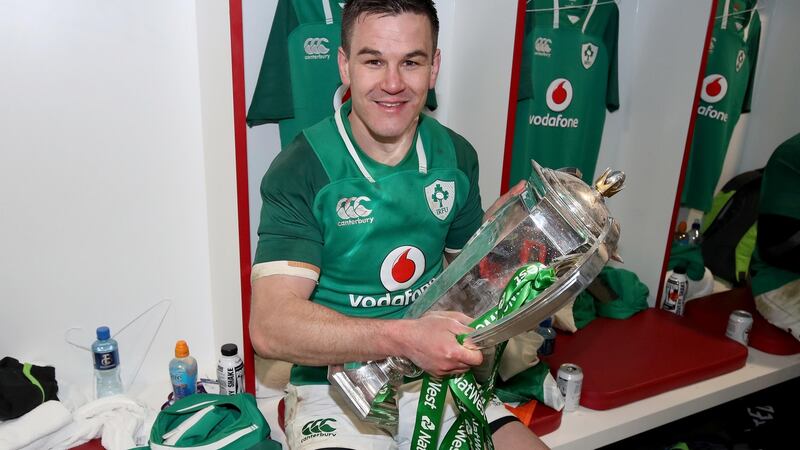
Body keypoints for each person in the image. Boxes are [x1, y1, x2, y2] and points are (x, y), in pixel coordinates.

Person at [249, 1, 549, 448]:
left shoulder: (456, 157)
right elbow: (270, 326)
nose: (392, 83)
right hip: (333, 388)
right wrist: (405, 338)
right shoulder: (302, 167)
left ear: (434, 68)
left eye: (411, 61)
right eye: (373, 61)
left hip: (433, 377)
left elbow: (467, 283)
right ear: (345, 66)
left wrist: (507, 236)